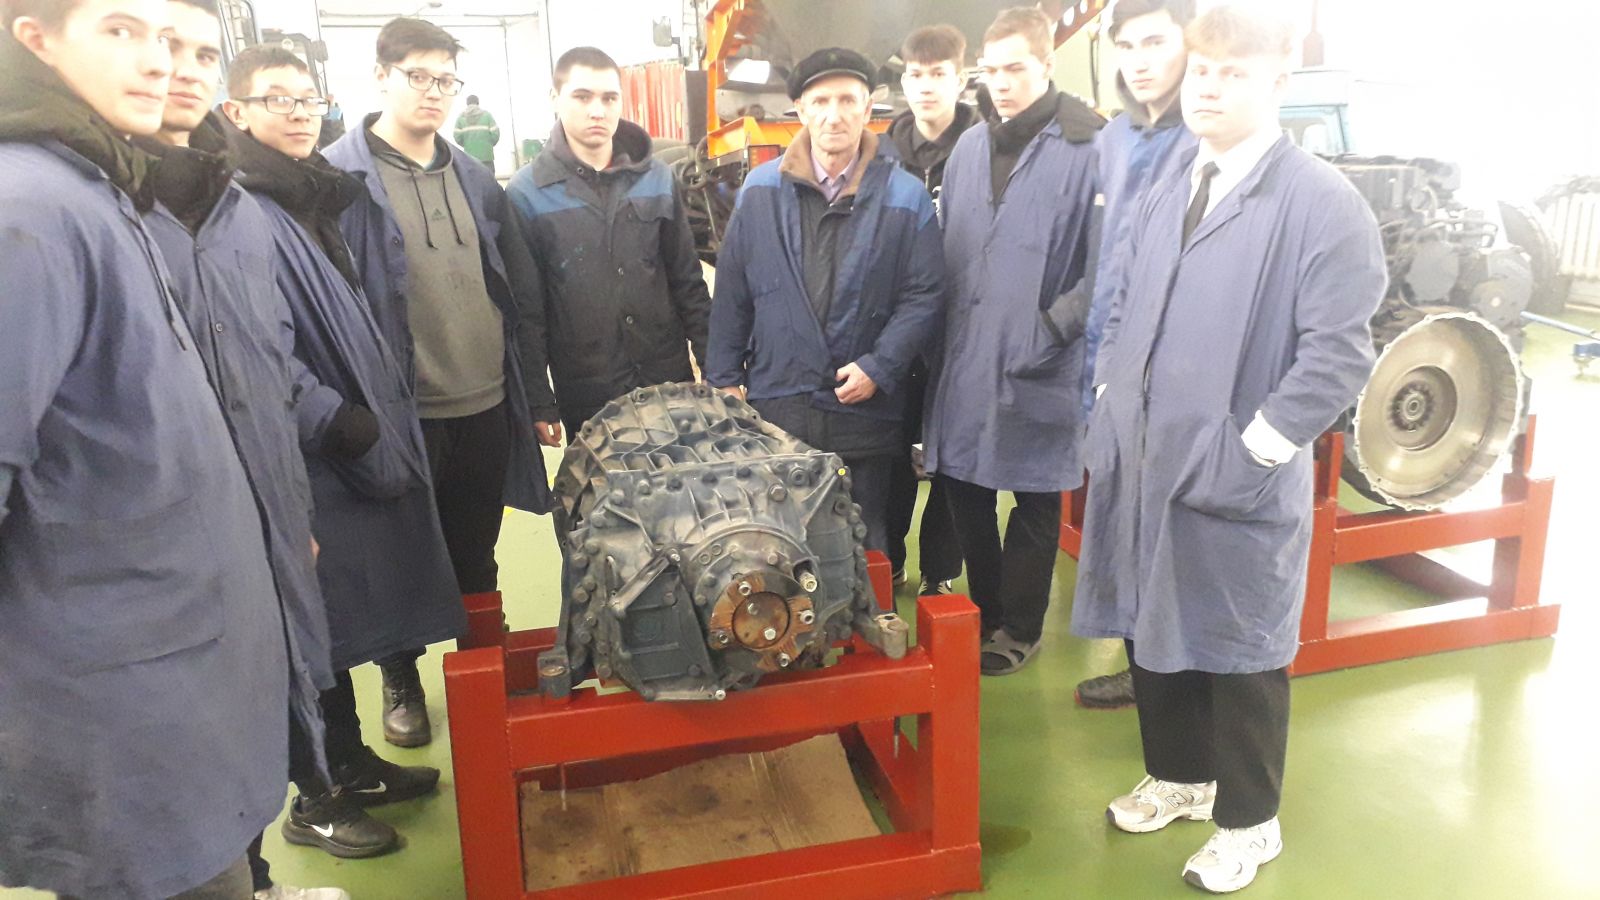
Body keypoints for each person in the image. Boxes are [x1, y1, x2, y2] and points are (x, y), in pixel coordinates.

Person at [1071, 6, 1385, 892]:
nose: (1206, 88)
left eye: (1232, 74)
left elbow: (1338, 354)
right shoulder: (1174, 176)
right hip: (1145, 454)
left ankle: (1250, 822)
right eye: (1202, 70)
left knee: (1241, 648)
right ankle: (1179, 777)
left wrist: (1255, 450)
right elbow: (1122, 297)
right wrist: (1108, 399)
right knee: (1149, 621)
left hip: (1234, 470)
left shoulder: (1323, 204)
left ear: (1277, 85)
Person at [0, 1, 291, 896]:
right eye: (120, 30)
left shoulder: (96, 186)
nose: (159, 62)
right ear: (37, 39)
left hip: (171, 665)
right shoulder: (29, 210)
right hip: (120, 695)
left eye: (163, 38)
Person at [224, 44, 459, 859]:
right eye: (276, 99)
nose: (298, 112)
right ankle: (314, 802)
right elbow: (252, 347)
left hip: (345, 443)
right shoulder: (241, 210)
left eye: (306, 98)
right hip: (308, 452)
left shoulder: (306, 196)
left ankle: (350, 764)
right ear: (236, 113)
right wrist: (336, 420)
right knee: (308, 628)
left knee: (344, 618)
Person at [139, 4, 351, 898]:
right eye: (159, 47)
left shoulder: (233, 208)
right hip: (165, 533)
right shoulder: (99, 208)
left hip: (261, 502)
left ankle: (257, 875)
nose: (178, 69)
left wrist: (286, 511)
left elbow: (263, 360)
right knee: (190, 728)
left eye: (198, 51)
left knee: (265, 688)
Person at [324, 16, 560, 748]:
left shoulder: (477, 180)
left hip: (484, 399)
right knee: (397, 553)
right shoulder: (339, 183)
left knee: (475, 547)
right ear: (381, 77)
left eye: (446, 80)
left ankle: (480, 665)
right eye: (418, 76)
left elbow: (514, 294)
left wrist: (535, 394)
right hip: (401, 412)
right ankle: (402, 677)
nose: (434, 92)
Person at [921, 7, 1102, 676]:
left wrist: (1052, 328)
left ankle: (1021, 627)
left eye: (1016, 69)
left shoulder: (1090, 149)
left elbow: (1108, 267)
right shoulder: (970, 148)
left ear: (1047, 65)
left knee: (1034, 492)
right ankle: (988, 609)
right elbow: (951, 244)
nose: (1001, 83)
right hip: (967, 351)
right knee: (964, 483)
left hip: (1041, 355)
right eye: (990, 71)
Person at [707, 47, 944, 552]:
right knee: (778, 547)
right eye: (820, 101)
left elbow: (924, 294)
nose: (834, 115)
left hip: (863, 407)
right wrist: (724, 380)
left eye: (847, 100)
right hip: (779, 404)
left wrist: (880, 366)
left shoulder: (905, 197)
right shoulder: (759, 191)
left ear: (868, 107)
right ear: (800, 108)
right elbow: (732, 292)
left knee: (865, 541)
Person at [1072, 0, 1198, 710]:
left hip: (1174, 367)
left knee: (1170, 530)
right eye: (1127, 46)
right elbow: (1106, 257)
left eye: (1155, 42)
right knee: (1120, 518)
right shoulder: (1115, 138)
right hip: (1110, 359)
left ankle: (1176, 675)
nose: (1140, 60)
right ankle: (1141, 664)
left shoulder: (1201, 137)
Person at [506, 45, 711, 435]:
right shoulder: (527, 193)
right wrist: (539, 399)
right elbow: (528, 310)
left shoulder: (657, 178)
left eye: (609, 98)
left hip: (668, 382)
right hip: (589, 392)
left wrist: (713, 363)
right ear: (555, 98)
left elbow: (687, 281)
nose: (597, 111)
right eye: (582, 97)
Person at [882, 23, 973, 596]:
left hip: (964, 327)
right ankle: (889, 561)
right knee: (892, 448)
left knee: (955, 457)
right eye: (916, 75)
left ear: (961, 79)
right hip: (897, 327)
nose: (926, 86)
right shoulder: (882, 154)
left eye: (939, 74)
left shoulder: (986, 148)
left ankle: (940, 571)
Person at [453, 91, 499, 168]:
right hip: (487, 156)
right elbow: (495, 134)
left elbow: (457, 137)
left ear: (467, 103)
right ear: (478, 103)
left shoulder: (461, 118)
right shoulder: (487, 116)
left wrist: (467, 144)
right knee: (488, 176)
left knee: (471, 176)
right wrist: (489, 145)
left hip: (469, 157)